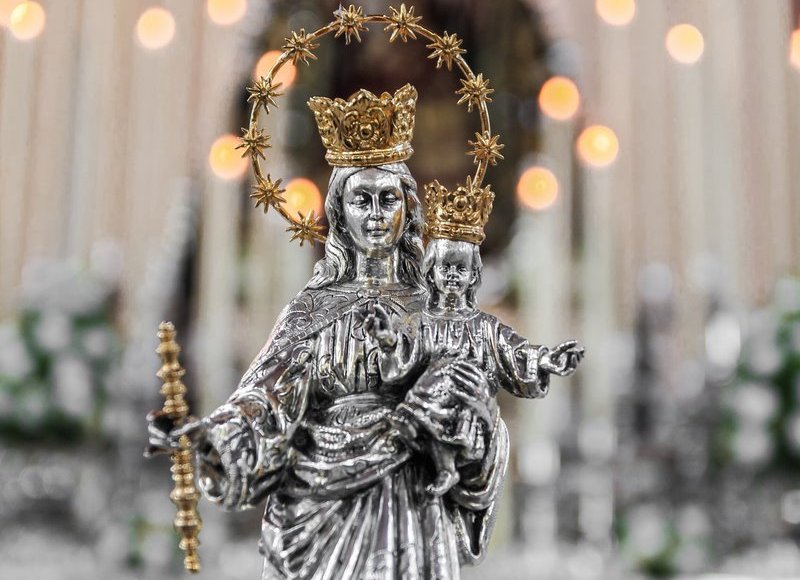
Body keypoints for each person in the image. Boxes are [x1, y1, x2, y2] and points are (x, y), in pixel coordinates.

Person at [364, 238, 584, 497]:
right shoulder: (418, 323)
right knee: (407, 426)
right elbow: (400, 362)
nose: (452, 276)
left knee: (449, 374)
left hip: (469, 411)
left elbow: (516, 353)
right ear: (431, 273)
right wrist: (389, 342)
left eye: (461, 269)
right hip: (427, 416)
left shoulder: (485, 327)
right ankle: (442, 465)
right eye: (445, 268)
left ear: (473, 276)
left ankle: (445, 457)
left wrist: (545, 360)